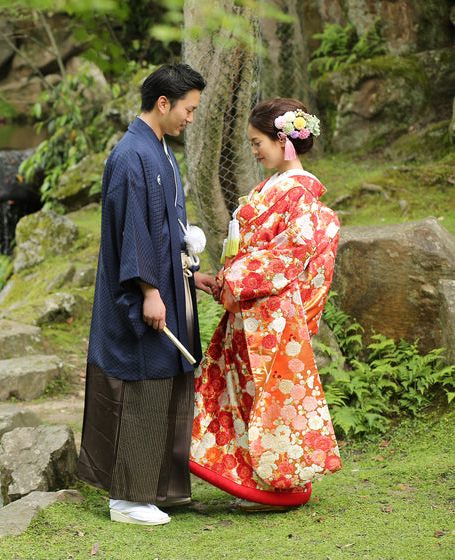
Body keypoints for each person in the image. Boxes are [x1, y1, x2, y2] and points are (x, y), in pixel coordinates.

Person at [76, 63, 218, 526]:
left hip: (165, 287)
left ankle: (159, 489)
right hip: (141, 296)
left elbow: (165, 229)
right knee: (144, 381)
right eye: (188, 109)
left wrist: (188, 276)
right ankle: (127, 499)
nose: (190, 118)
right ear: (164, 103)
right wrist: (151, 292)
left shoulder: (157, 148)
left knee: (167, 381)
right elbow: (133, 232)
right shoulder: (131, 155)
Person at [189, 98, 342, 512]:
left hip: (272, 314)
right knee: (249, 395)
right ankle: (255, 478)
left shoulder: (299, 192)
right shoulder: (277, 187)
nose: (255, 151)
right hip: (255, 310)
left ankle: (274, 484)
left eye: (258, 142)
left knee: (269, 400)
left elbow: (292, 252)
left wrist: (234, 279)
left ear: (282, 140)